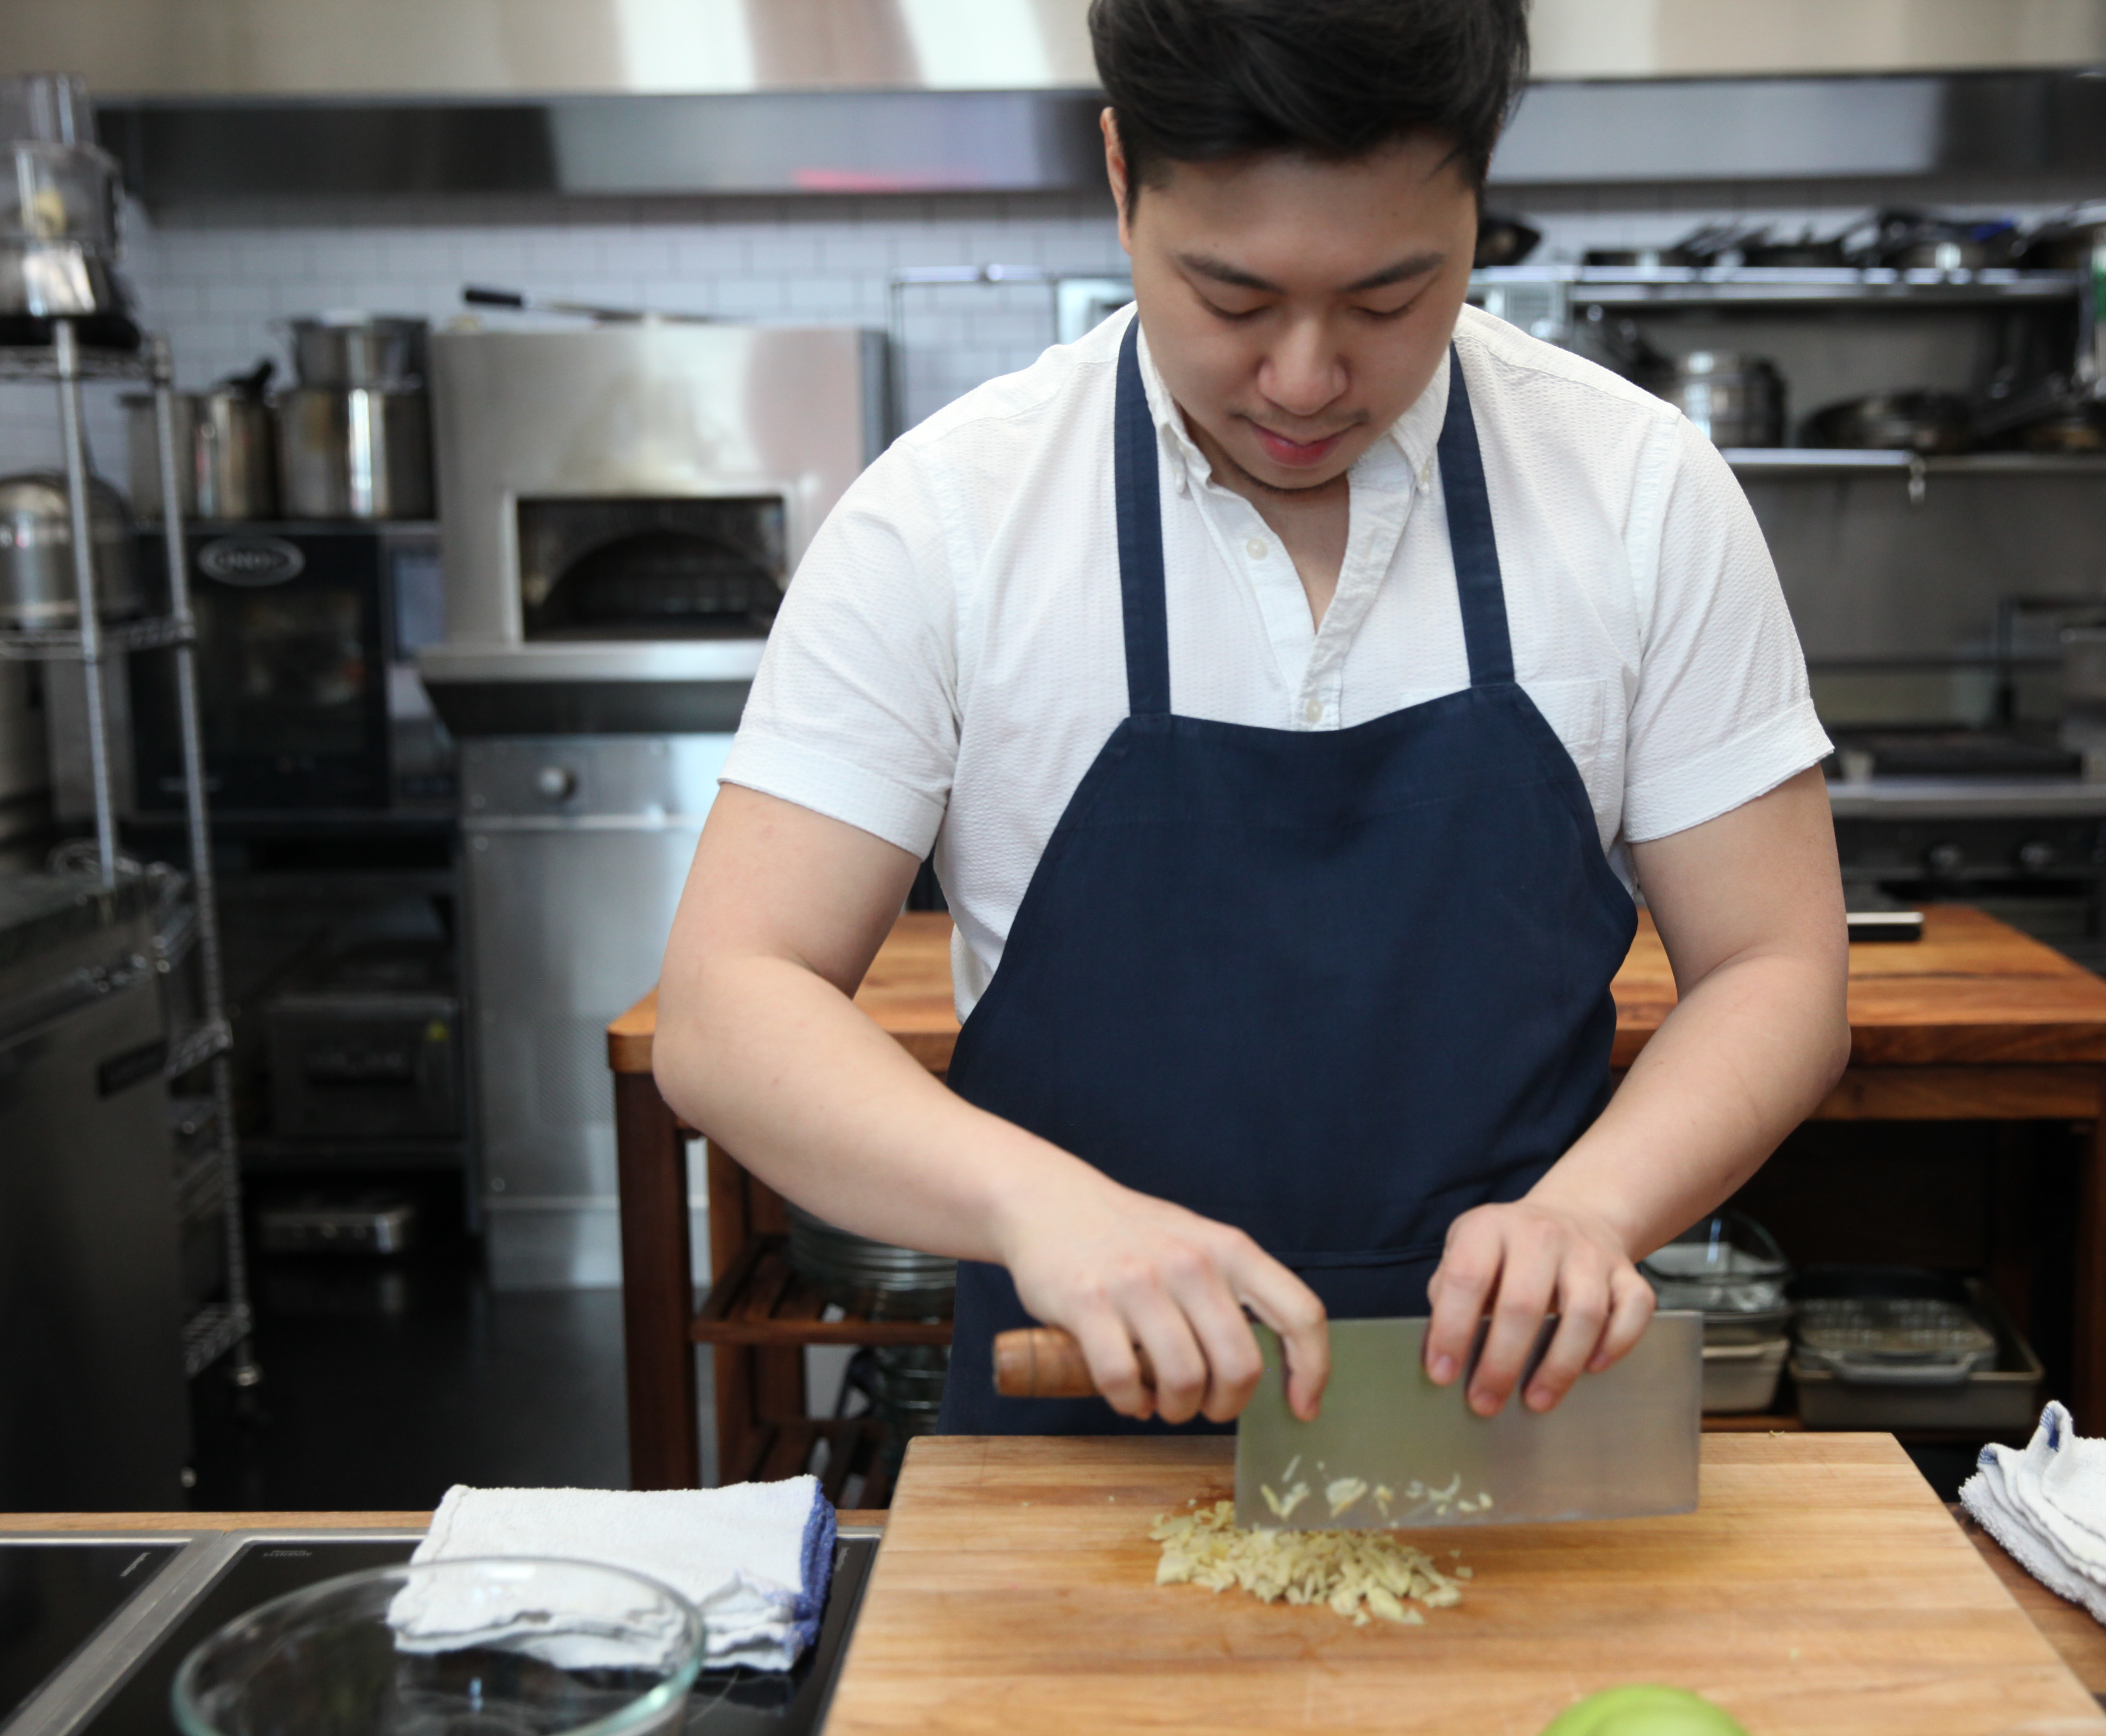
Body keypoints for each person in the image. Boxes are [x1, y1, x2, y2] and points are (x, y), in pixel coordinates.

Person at [654, 0, 1849, 1437]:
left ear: (1478, 199)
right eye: (1231, 301)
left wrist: (1593, 1213)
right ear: (1120, 178)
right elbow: (727, 1007)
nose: (1303, 380)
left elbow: (1778, 967)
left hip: (1505, 1421)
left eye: (1388, 300)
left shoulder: (1637, 489)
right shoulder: (950, 518)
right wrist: (1044, 1209)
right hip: (1080, 1425)